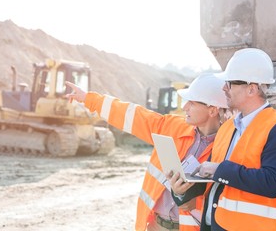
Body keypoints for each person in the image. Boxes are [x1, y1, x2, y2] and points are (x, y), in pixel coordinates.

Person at [65, 73, 228, 231]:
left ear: (212, 110)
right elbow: (133, 115)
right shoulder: (172, 127)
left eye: (192, 103)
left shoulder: (228, 147)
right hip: (155, 225)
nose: (185, 107)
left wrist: (191, 200)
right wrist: (89, 99)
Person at [168, 48, 276, 231]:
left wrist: (219, 170)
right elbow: (210, 180)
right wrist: (180, 190)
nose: (223, 88)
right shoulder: (228, 127)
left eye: (229, 83)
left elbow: (274, 182)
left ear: (251, 89)